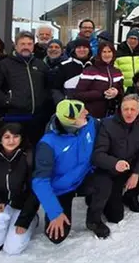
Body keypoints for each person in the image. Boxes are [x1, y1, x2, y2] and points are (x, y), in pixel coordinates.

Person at [32, 100, 111, 242]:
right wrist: (55, 213)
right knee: (56, 238)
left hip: (83, 178)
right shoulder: (47, 144)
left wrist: (134, 116)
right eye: (82, 113)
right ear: (71, 122)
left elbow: (109, 123)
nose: (87, 113)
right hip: (61, 189)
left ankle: (94, 219)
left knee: (104, 181)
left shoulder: (89, 123)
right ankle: (56, 212)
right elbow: (40, 181)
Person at [0, 123, 39, 254]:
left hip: (23, 207)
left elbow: (36, 190)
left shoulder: (29, 158)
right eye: (7, 137)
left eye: (16, 136)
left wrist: (25, 220)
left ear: (21, 138)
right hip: (0, 205)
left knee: (13, 249)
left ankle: (33, 221)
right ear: (0, 139)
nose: (11, 141)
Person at [0, 32, 51, 146]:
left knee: (34, 151)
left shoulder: (40, 65)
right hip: (13, 117)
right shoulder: (4, 65)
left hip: (36, 119)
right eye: (22, 44)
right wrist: (8, 101)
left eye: (29, 44)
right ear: (15, 45)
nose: (26, 47)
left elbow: (48, 87)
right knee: (13, 149)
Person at [69, 42, 123, 119]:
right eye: (104, 52)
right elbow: (78, 94)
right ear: (99, 53)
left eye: (109, 52)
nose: (107, 55)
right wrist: (102, 94)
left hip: (112, 116)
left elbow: (122, 91)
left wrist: (117, 92)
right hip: (92, 115)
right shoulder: (90, 71)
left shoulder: (117, 72)